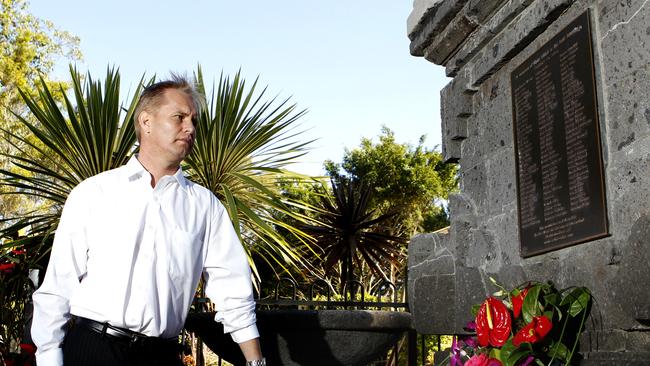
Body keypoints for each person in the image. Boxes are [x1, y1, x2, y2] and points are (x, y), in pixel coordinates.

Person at [31, 75, 266, 366]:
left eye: (193, 120)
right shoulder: (94, 193)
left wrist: (256, 362)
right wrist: (49, 357)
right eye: (179, 117)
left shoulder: (206, 207)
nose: (190, 128)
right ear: (146, 122)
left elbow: (233, 291)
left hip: (162, 356)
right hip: (92, 351)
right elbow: (58, 286)